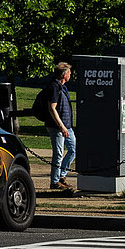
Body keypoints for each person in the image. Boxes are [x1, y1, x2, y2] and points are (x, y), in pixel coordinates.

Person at [44, 61, 76, 193]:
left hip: (67, 125)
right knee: (58, 154)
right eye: (69, 73)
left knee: (73, 149)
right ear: (64, 75)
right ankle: (55, 181)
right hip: (57, 127)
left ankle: (62, 175)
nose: (70, 75)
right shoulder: (54, 87)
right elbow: (52, 108)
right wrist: (61, 126)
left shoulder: (63, 87)